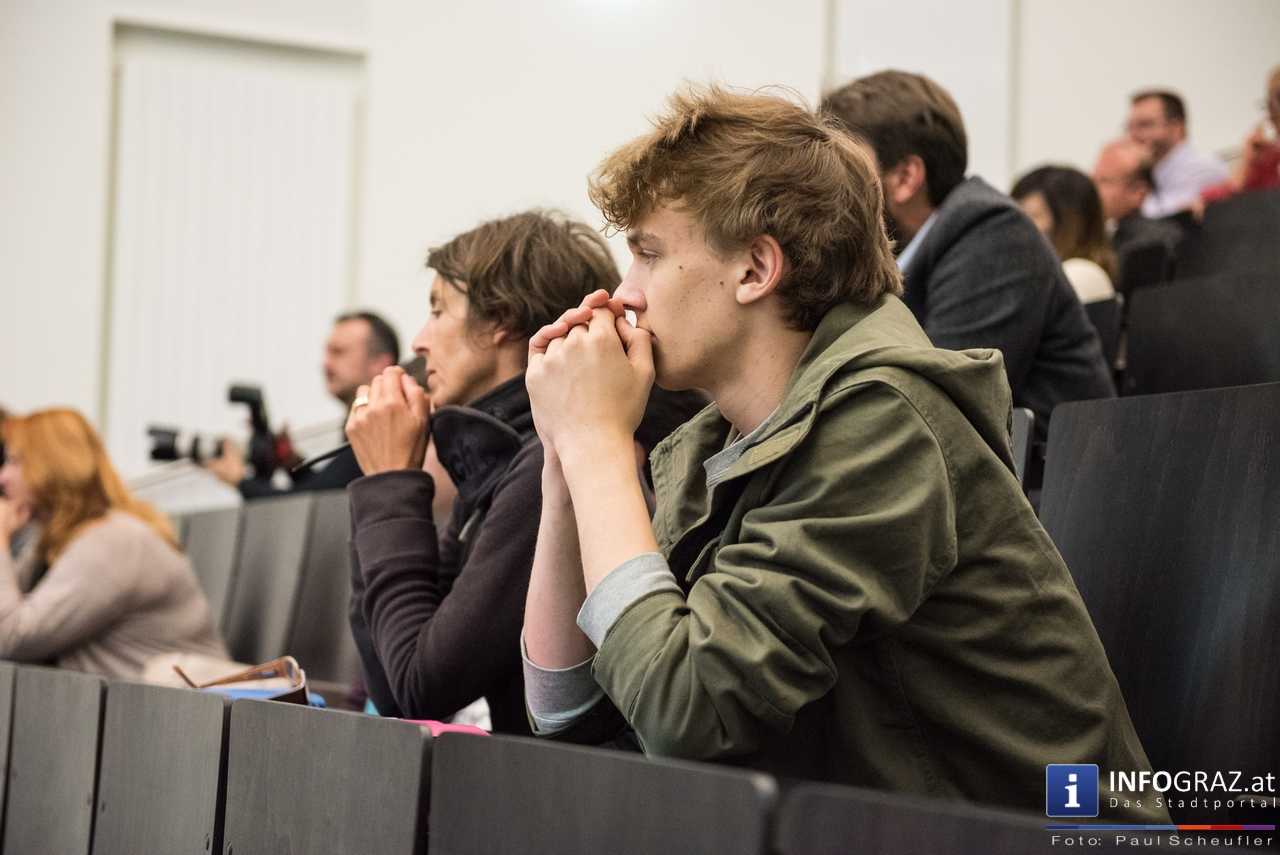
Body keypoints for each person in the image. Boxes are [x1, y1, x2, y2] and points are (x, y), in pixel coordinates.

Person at [519, 84, 1165, 821]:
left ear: (757, 269)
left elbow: (686, 711)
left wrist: (599, 445)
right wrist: (567, 461)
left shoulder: (887, 421)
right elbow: (567, 710)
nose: (623, 294)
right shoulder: (714, 442)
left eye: (647, 254)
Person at [346, 210, 665, 730]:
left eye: (438, 310)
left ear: (501, 321)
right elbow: (394, 682)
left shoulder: (548, 463)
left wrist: (388, 486)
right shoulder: (498, 464)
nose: (419, 342)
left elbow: (422, 689)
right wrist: (379, 485)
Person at [821, 70, 1114, 440]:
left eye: (847, 165)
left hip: (1045, 488)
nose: (831, 184)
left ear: (906, 176)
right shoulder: (914, 245)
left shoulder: (992, 233)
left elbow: (935, 404)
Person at [0, 409, 227, 678]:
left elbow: (10, 637)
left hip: (186, 712)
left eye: (15, 462)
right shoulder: (58, 540)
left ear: (52, 466)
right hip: (138, 709)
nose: (3, 478)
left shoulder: (109, 542)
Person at [206, 310, 405, 498]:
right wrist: (293, 463)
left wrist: (239, 479)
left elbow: (312, 501)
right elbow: (330, 491)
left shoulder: (382, 427)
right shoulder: (365, 421)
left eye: (339, 352)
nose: (325, 364)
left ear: (380, 364)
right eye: (327, 352)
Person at [1012, 165, 1116, 304]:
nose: (1015, 226)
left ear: (1070, 223)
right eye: (1015, 214)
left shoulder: (1080, 275)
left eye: (1032, 215)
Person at [1126, 90, 1228, 217]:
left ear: (1176, 127)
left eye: (1145, 125)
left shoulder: (1205, 168)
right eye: (1129, 128)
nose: (1133, 136)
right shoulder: (1149, 175)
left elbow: (1172, 217)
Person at [1201, 66, 1280, 205]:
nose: (1270, 115)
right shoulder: (1267, 159)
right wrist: (1247, 163)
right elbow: (1209, 204)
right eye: (1270, 105)